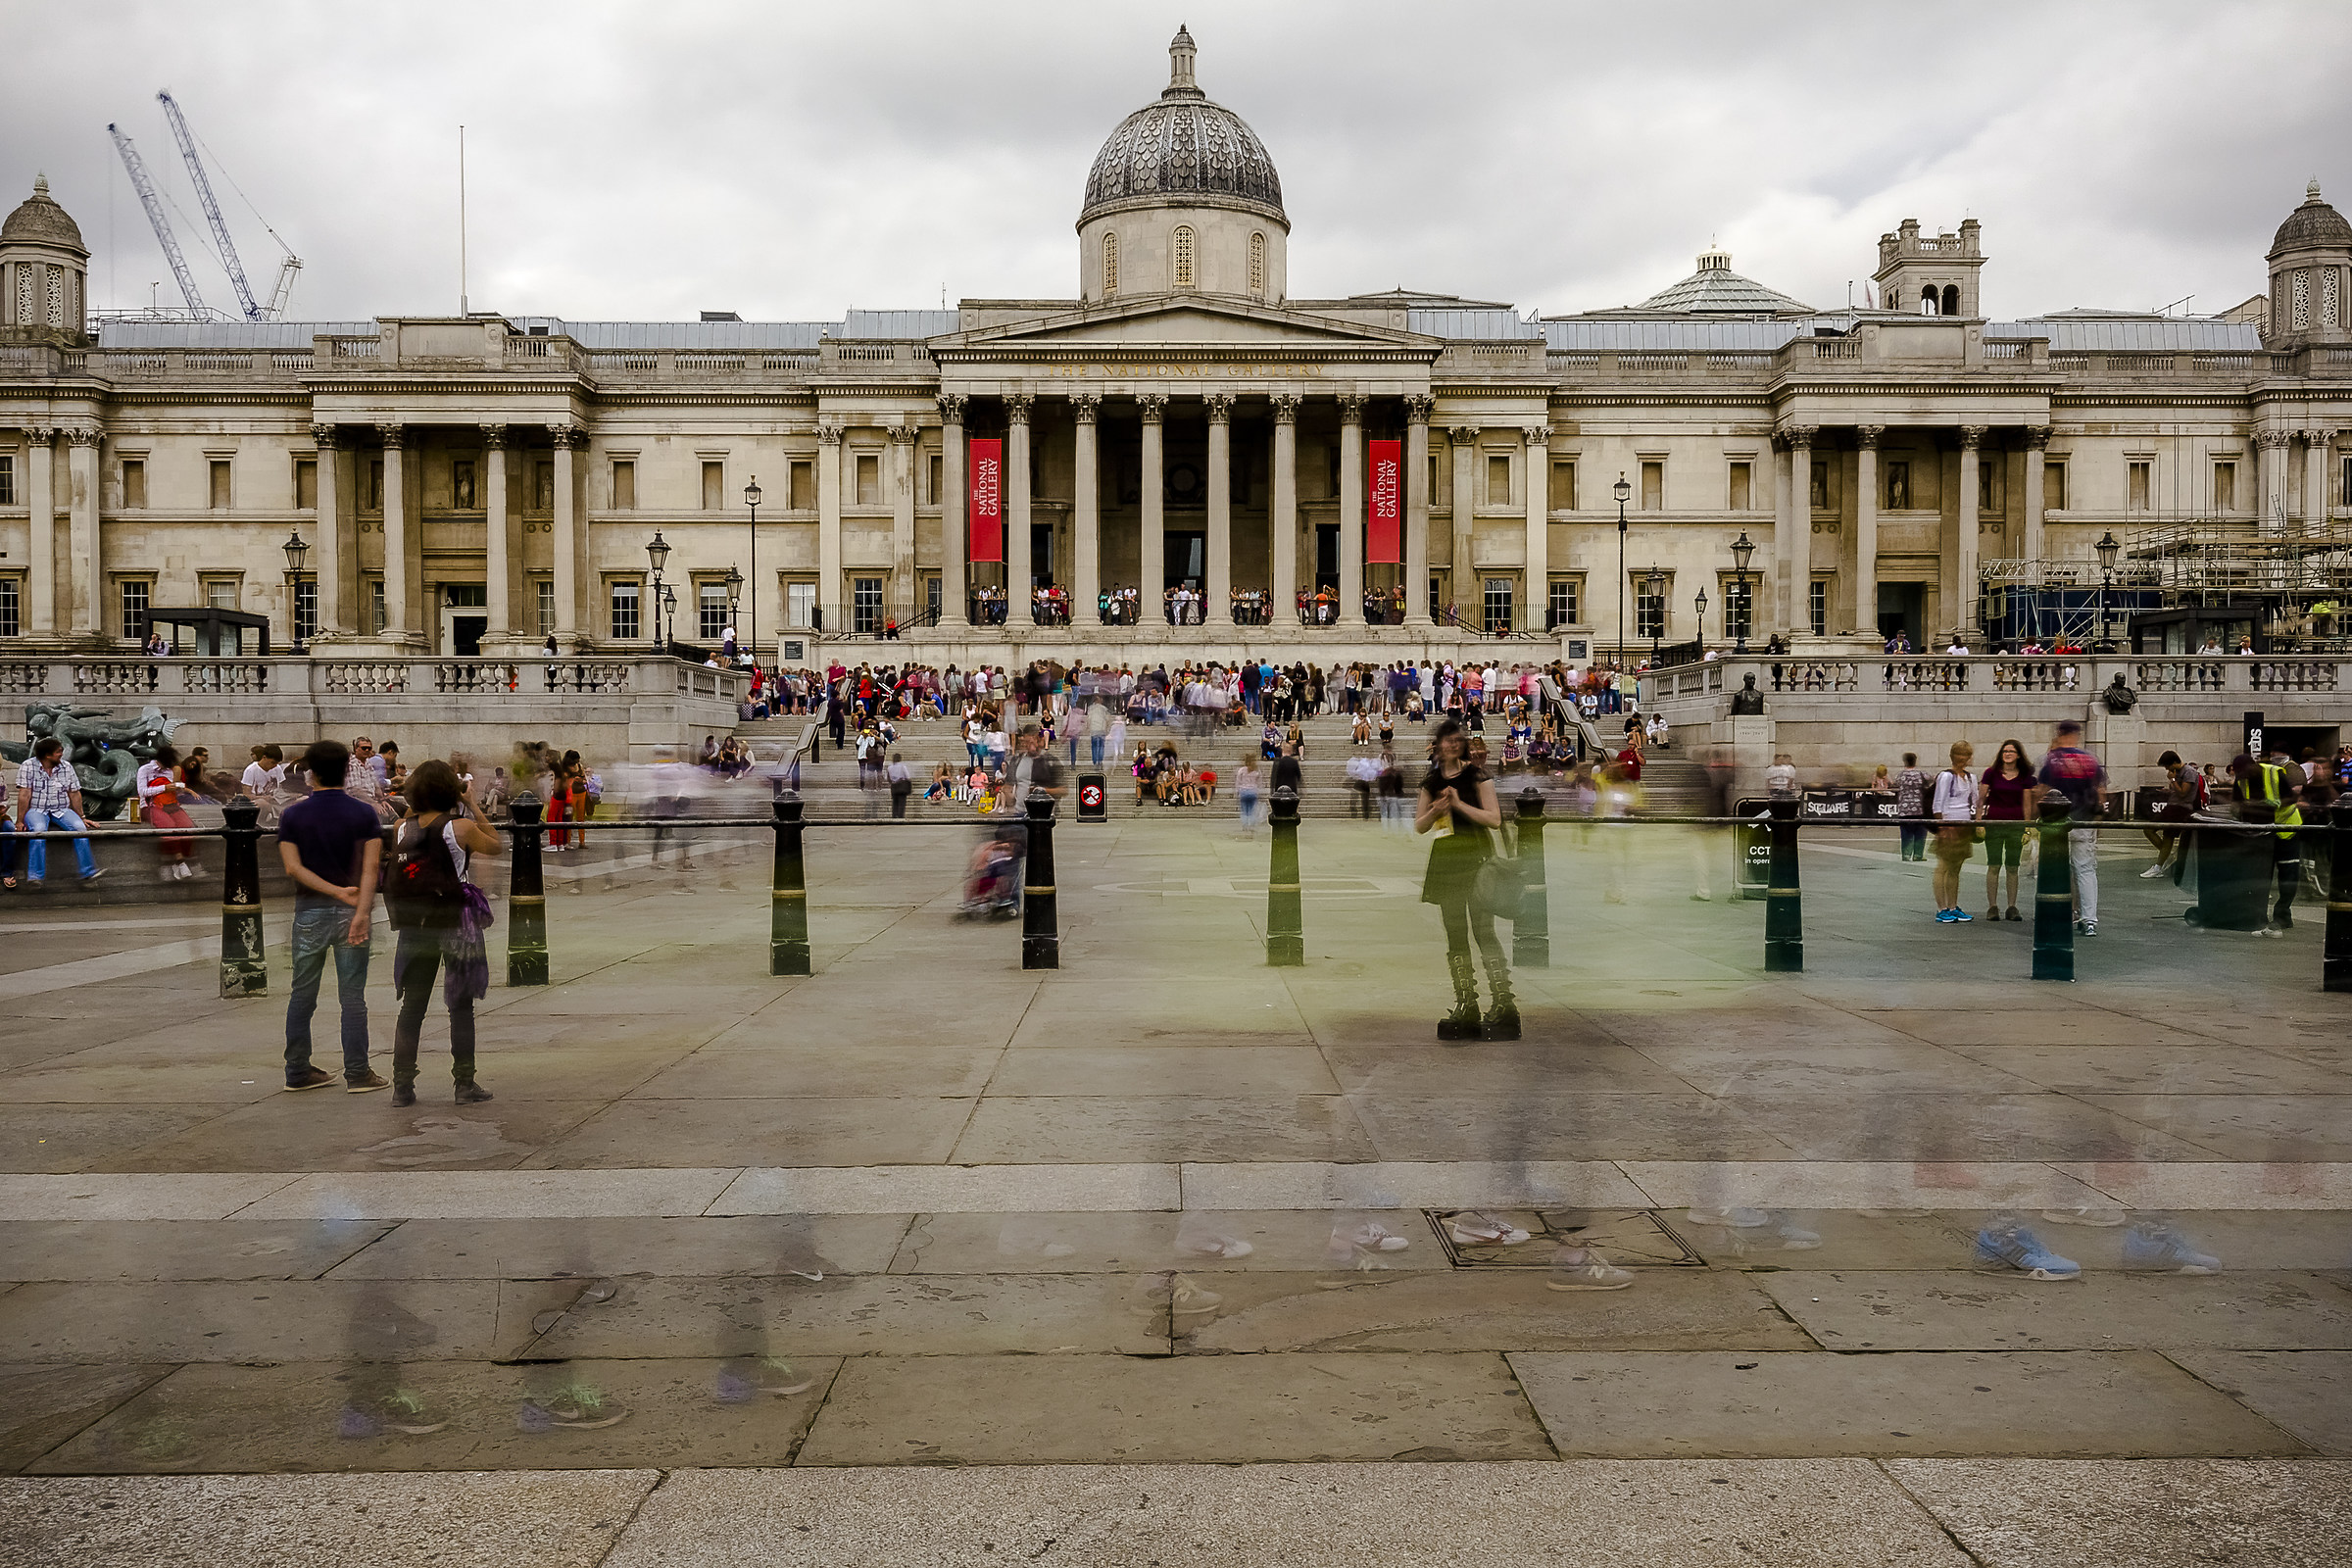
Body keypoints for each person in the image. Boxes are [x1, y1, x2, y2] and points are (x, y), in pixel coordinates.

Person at [385, 760, 502, 1106]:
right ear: (450, 791)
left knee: (412, 1007)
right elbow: (495, 845)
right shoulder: (461, 826)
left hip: (415, 922)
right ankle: (464, 1083)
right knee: (461, 1005)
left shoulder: (400, 828)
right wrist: (472, 804)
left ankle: (402, 1086)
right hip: (455, 922)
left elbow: (409, 828)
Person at [276, 740, 384, 1092]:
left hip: (309, 909)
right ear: (346, 770)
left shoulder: (292, 815)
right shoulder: (364, 813)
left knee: (302, 992)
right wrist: (361, 910)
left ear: (310, 773)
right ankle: (357, 1072)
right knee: (352, 995)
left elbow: (292, 868)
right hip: (353, 909)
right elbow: (370, 871)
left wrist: (332, 891)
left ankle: (297, 1070)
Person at [1416, 716, 1514, 1042]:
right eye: (1448, 739)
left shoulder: (1477, 776)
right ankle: (1466, 1003)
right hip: (1446, 860)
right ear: (1438, 744)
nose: (1454, 743)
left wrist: (1458, 803)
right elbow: (1420, 825)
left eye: (1459, 739)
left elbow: (1494, 819)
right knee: (1455, 933)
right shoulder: (1431, 781)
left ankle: (1504, 1005)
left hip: (1476, 858)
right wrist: (1437, 809)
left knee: (1484, 931)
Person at [2038, 719, 2107, 936]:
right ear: (2077, 734)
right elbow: (2101, 791)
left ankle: (2058, 912)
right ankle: (2089, 920)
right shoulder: (2090, 760)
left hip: (2057, 822)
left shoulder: (2052, 761)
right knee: (2086, 870)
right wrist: (2099, 819)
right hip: (2083, 821)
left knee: (2057, 869)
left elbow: (2042, 791)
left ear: (2060, 734)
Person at [2231, 751, 2303, 935]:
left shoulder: (2274, 772)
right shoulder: (2240, 780)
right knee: (2260, 874)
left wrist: (2265, 804)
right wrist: (2239, 809)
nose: (2243, 778)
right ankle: (2258, 917)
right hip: (2262, 832)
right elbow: (2236, 804)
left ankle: (2282, 915)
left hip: (2286, 829)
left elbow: (2291, 799)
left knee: (2288, 873)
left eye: (2245, 773)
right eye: (2239, 775)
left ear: (2253, 766)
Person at [13, 736, 101, 887]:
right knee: (38, 830)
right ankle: (35, 876)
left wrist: (82, 817)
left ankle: (88, 873)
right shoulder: (28, 766)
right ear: (47, 755)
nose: (61, 754)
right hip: (36, 809)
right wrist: (20, 820)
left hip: (61, 809)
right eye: (58, 752)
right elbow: (24, 794)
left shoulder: (66, 767)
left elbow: (74, 793)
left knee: (80, 829)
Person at [1977, 738, 2037, 922]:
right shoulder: (1991, 773)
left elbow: (2027, 803)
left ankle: (2012, 906)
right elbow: (1981, 799)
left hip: (2015, 824)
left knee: (2013, 866)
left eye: (2011, 751)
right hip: (1994, 823)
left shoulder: (2025, 776)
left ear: (2018, 755)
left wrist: (2027, 826)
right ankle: (1992, 906)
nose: (2008, 754)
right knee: (1993, 864)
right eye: (2005, 751)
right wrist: (1978, 822)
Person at [137, 743, 200, 881]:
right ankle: (179, 861)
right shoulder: (145, 770)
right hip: (149, 805)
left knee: (188, 827)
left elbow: (172, 789)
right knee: (168, 826)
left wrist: (177, 788)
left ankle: (175, 861)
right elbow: (142, 792)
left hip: (169, 804)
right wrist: (164, 788)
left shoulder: (170, 771)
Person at [1931, 742, 1978, 922]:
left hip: (1964, 824)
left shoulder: (1971, 777)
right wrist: (1941, 826)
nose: (1962, 758)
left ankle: (1952, 906)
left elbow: (1974, 801)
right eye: (1959, 754)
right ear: (1953, 755)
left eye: (1966, 754)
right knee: (1943, 866)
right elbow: (1938, 802)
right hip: (1949, 824)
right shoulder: (1946, 776)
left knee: (1956, 868)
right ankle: (1941, 908)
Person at [1894, 753, 1930, 861]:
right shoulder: (1922, 774)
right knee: (1920, 832)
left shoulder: (1900, 775)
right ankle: (1918, 854)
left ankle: (1906, 854)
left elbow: (1894, 783)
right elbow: (1931, 781)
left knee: (1905, 833)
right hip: (1919, 808)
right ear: (1915, 761)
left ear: (1905, 761)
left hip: (1904, 809)